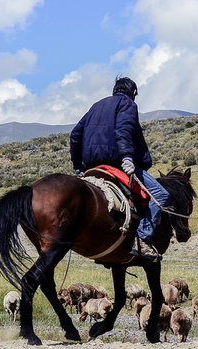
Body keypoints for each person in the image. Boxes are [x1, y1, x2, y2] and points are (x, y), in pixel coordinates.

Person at [69, 76, 170, 262]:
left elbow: (75, 134)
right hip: (116, 163)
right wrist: (127, 158)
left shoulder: (96, 105)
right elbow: (123, 130)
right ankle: (143, 238)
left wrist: (77, 166)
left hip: (91, 166)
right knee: (161, 195)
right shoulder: (127, 104)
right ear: (133, 93)